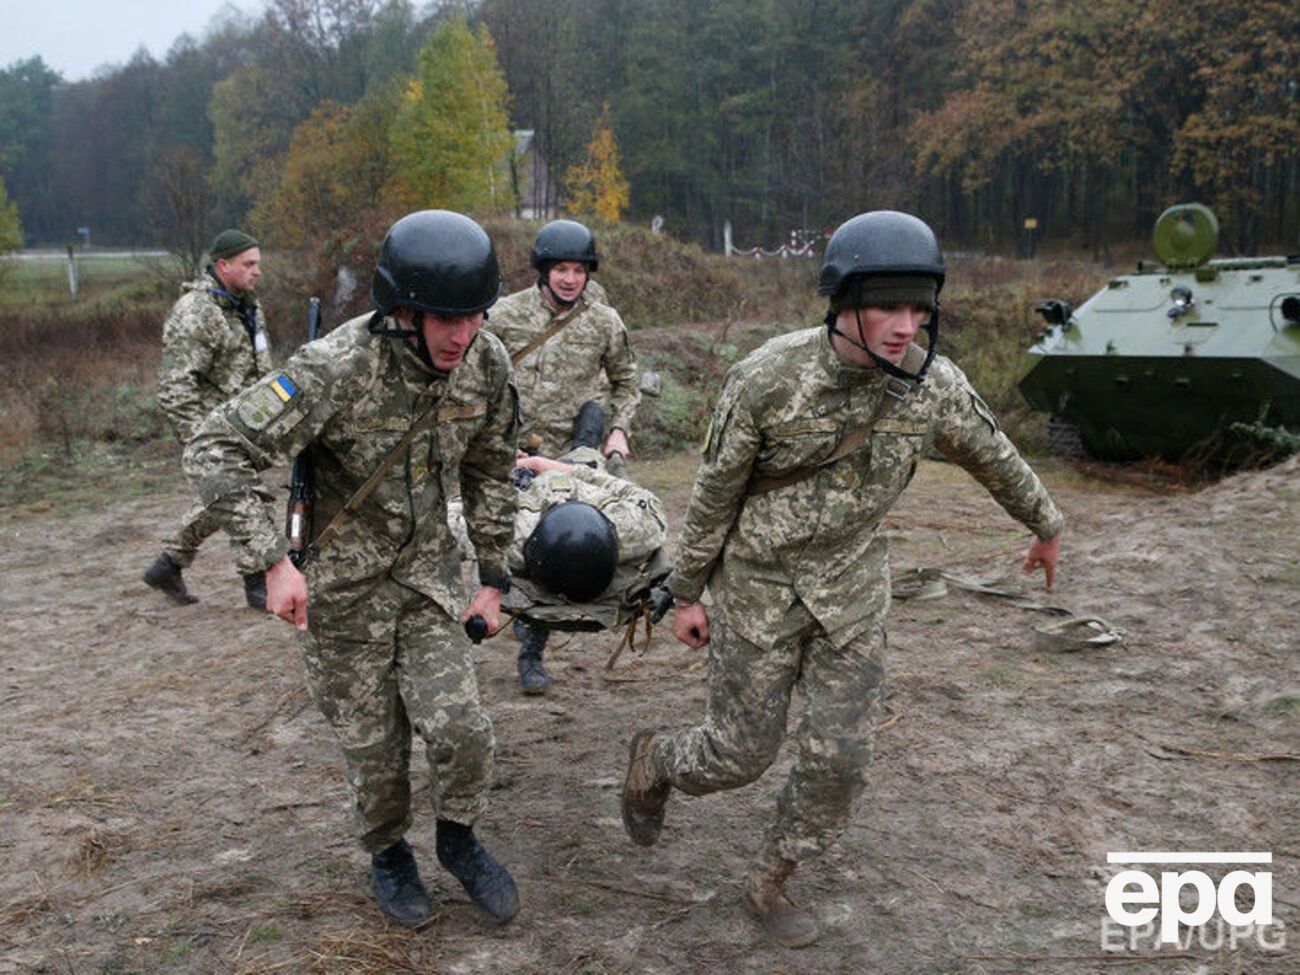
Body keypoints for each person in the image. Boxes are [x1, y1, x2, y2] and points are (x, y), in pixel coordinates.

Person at [619, 210, 1064, 948]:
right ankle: (655, 758)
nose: (904, 326)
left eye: (919, 309)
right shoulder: (765, 379)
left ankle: (771, 878)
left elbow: (994, 454)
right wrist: (687, 592)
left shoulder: (933, 386)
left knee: (840, 757)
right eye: (888, 305)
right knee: (738, 754)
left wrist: (1045, 524)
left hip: (852, 595)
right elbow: (713, 493)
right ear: (844, 300)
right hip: (759, 592)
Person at [183, 210, 521, 928]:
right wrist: (272, 559)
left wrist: (494, 575)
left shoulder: (484, 363)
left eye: (476, 316)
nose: (462, 335)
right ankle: (389, 854)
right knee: (377, 750)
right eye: (446, 319)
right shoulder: (335, 367)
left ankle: (458, 838)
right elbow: (216, 446)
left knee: (461, 727)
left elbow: (493, 466)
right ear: (404, 309)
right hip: (341, 595)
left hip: (428, 580)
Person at [143, 229, 275, 609]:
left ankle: (168, 564)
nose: (257, 272)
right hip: (213, 429)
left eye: (258, 264)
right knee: (244, 497)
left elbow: (258, 365)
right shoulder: (195, 312)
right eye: (249, 264)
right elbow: (175, 387)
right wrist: (200, 440)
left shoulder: (247, 306)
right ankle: (257, 582)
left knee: (226, 497)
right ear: (223, 265)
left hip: (249, 423)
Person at [505, 448, 669, 694]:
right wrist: (566, 470)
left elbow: (465, 505)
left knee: (590, 418)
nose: (561, 499)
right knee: (590, 421)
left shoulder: (513, 537)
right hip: (583, 467)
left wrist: (505, 470)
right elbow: (638, 495)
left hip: (559, 470)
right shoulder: (632, 527)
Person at [484, 219, 639, 473]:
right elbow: (471, 374)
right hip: (508, 451)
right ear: (545, 271)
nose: (570, 280)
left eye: (579, 271)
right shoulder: (503, 314)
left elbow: (626, 381)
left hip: (573, 458)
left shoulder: (604, 321)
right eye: (561, 269)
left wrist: (619, 431)